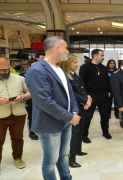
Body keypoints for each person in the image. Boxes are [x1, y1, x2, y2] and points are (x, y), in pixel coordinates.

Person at [25, 36, 80, 180]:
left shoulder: (59, 68)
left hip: (65, 121)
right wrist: (69, 116)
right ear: (57, 48)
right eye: (66, 48)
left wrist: (73, 111)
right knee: (50, 160)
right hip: (49, 123)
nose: (67, 51)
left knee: (63, 156)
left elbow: (70, 94)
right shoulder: (37, 70)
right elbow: (44, 101)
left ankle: (66, 178)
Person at [0, 57, 31, 178]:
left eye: (5, 69)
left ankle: (18, 158)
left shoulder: (20, 78)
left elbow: (30, 93)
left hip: (18, 114)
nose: (3, 72)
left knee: (17, 138)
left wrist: (22, 98)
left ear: (9, 67)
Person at [59, 54, 92, 168]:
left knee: (80, 129)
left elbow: (82, 89)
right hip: (74, 108)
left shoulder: (74, 74)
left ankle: (78, 150)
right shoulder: (65, 76)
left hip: (81, 106)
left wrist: (88, 98)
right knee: (75, 132)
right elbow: (71, 93)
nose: (77, 64)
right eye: (75, 62)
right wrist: (85, 101)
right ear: (67, 63)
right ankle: (71, 159)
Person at [79, 49, 111, 143]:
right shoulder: (85, 67)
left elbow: (107, 80)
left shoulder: (103, 68)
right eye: (101, 55)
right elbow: (82, 82)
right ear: (95, 56)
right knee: (88, 117)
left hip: (103, 95)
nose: (103, 57)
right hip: (91, 95)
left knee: (105, 115)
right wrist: (86, 95)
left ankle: (105, 132)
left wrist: (108, 90)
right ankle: (84, 135)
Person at [19, 59, 39, 140]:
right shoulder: (23, 76)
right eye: (33, 65)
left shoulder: (41, 75)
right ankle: (32, 131)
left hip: (40, 98)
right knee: (31, 115)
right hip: (29, 99)